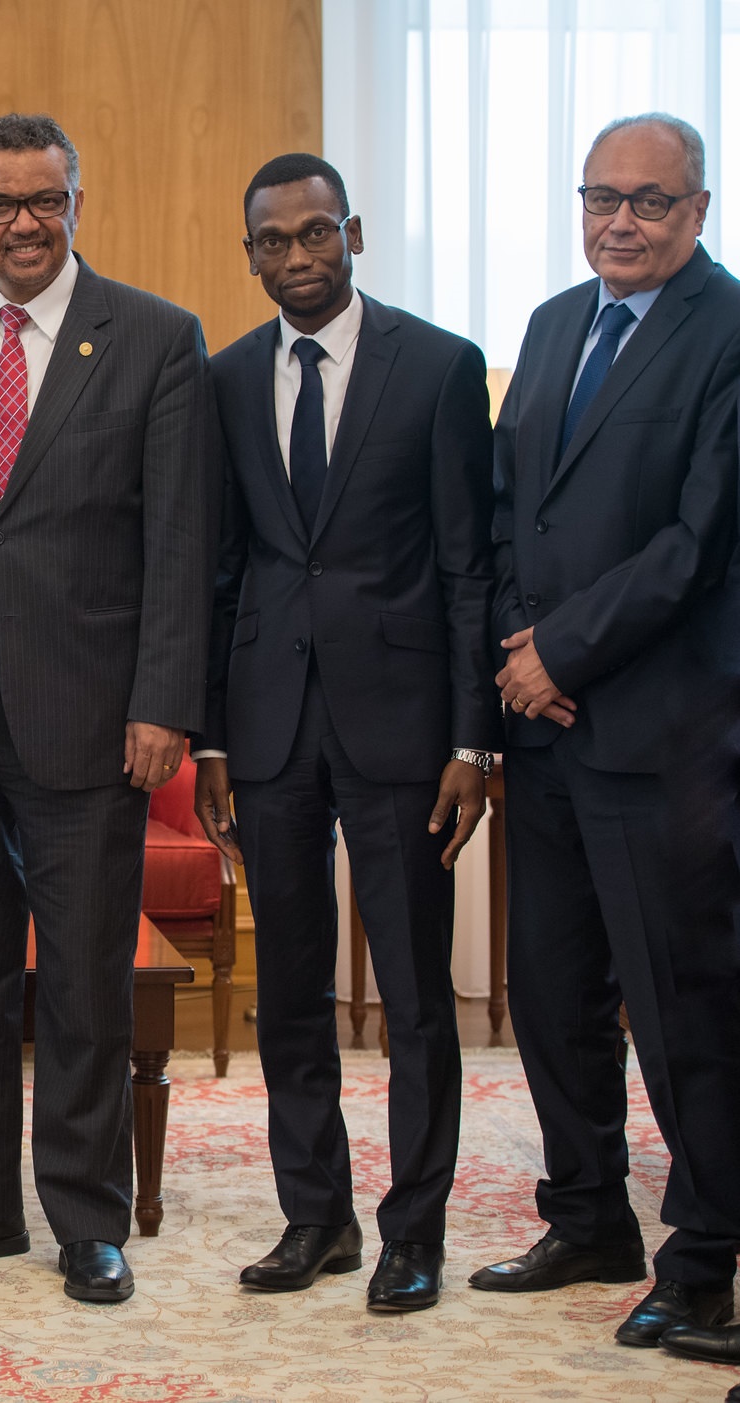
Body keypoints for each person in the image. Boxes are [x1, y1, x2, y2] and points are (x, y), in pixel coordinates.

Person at [0, 113, 213, 1303]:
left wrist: (165, 699)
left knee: (80, 979)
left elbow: (179, 536)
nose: (22, 223)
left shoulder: (157, 338)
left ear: (78, 200)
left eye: (42, 200)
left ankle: (86, 1218)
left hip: (90, 711)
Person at [190, 153, 496, 1313]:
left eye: (316, 233)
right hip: (268, 726)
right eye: (273, 242)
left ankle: (411, 1230)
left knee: (415, 990)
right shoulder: (223, 380)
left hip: (405, 726)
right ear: (251, 253)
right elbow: (221, 569)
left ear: (353, 233)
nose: (298, 258)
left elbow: (469, 566)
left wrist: (475, 739)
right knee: (287, 990)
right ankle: (312, 1217)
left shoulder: (437, 366)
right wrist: (213, 734)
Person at [475, 112, 740, 1366]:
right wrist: (519, 649)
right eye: (600, 197)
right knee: (553, 992)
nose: (618, 222)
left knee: (680, 1002)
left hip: (664, 731)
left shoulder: (727, 331)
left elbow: (697, 542)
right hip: (546, 733)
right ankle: (587, 1217)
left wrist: (561, 653)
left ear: (697, 210)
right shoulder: (548, 324)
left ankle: (702, 1261)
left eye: (647, 201)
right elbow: (507, 505)